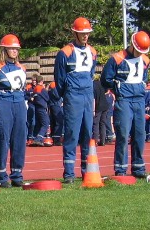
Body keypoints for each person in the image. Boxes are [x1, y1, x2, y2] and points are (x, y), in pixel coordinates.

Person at [101, 31, 150, 178]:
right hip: (124, 100)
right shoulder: (117, 59)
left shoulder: (145, 60)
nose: (140, 54)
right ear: (132, 45)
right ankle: (121, 169)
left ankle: (139, 168)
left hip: (139, 100)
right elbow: (105, 79)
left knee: (140, 134)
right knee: (123, 134)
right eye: (138, 50)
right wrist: (118, 88)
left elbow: (145, 77)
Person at [54, 17, 97, 184]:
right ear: (75, 33)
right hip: (73, 95)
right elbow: (59, 78)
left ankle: (87, 170)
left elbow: (92, 72)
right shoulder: (65, 52)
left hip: (88, 93)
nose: (85, 36)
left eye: (87, 33)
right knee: (72, 133)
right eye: (81, 33)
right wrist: (64, 95)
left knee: (87, 132)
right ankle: (69, 173)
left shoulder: (93, 52)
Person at [0, 34, 27, 188]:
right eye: (11, 48)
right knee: (3, 138)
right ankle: (2, 174)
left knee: (19, 138)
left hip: (19, 103)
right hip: (3, 102)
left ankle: (17, 174)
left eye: (16, 48)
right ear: (4, 49)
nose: (14, 51)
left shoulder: (22, 68)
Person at [31, 75, 50, 147]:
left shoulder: (35, 88)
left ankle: (35, 138)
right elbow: (47, 98)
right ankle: (38, 138)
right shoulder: (42, 89)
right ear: (42, 81)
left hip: (37, 107)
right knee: (45, 124)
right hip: (42, 108)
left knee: (38, 124)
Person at [92, 73, 109, 146]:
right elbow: (107, 91)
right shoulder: (102, 84)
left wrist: (93, 110)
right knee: (103, 123)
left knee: (96, 123)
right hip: (105, 105)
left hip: (98, 106)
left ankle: (95, 140)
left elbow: (93, 98)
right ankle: (102, 141)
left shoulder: (93, 85)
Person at [47, 82, 64, 146]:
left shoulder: (51, 85)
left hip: (52, 105)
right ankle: (57, 139)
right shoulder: (54, 85)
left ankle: (54, 138)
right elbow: (57, 96)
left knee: (53, 122)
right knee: (59, 122)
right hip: (56, 105)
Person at [25, 75, 37, 145]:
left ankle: (34, 136)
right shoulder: (28, 87)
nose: (34, 82)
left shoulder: (38, 87)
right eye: (33, 81)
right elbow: (24, 95)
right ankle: (29, 137)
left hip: (38, 106)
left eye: (35, 81)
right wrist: (30, 98)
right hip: (31, 106)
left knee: (36, 123)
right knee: (31, 122)